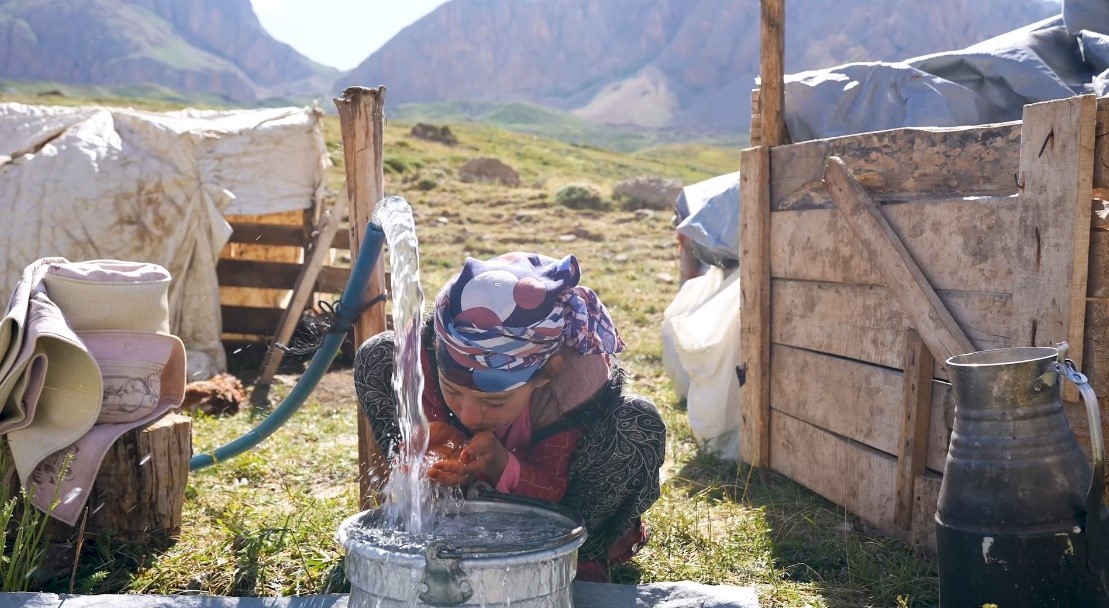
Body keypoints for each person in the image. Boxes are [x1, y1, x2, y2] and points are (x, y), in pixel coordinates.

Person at [354, 251, 666, 582]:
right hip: (462, 510)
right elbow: (427, 410)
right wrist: (425, 451)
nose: (470, 414)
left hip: (563, 509)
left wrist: (502, 467)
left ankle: (577, 559)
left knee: (638, 422)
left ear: (546, 373)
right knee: (379, 355)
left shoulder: (572, 392)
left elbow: (556, 493)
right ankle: (427, 520)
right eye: (454, 393)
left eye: (494, 400)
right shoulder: (431, 356)